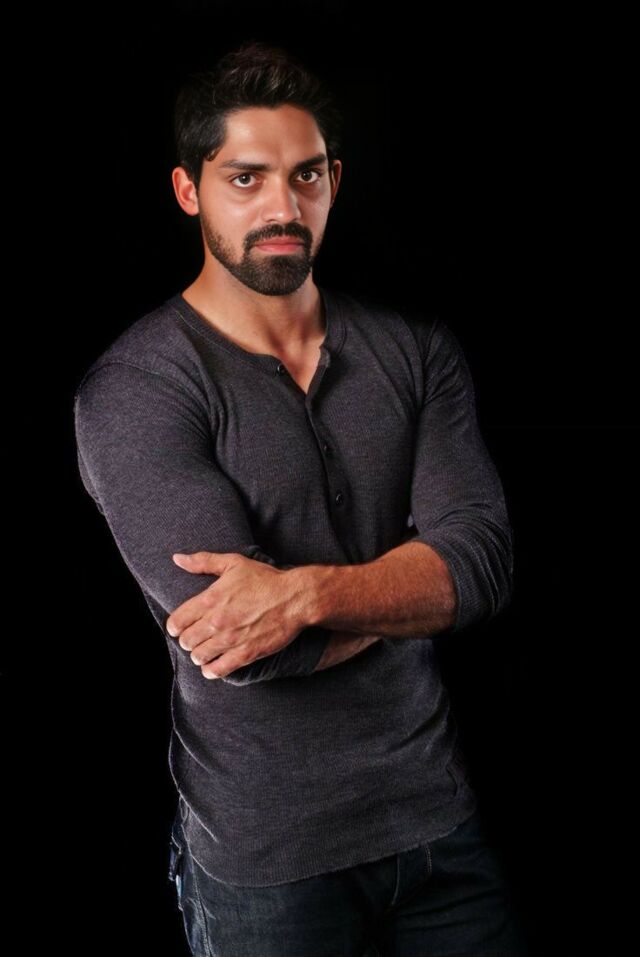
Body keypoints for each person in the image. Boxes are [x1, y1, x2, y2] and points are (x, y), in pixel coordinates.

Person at [73, 39, 528, 956]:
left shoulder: (415, 351)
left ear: (334, 181)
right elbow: (242, 648)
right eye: (245, 179)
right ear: (188, 190)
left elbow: (482, 565)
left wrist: (305, 593)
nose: (283, 208)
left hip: (438, 825)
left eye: (305, 175)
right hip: (268, 866)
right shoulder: (136, 390)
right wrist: (411, 585)